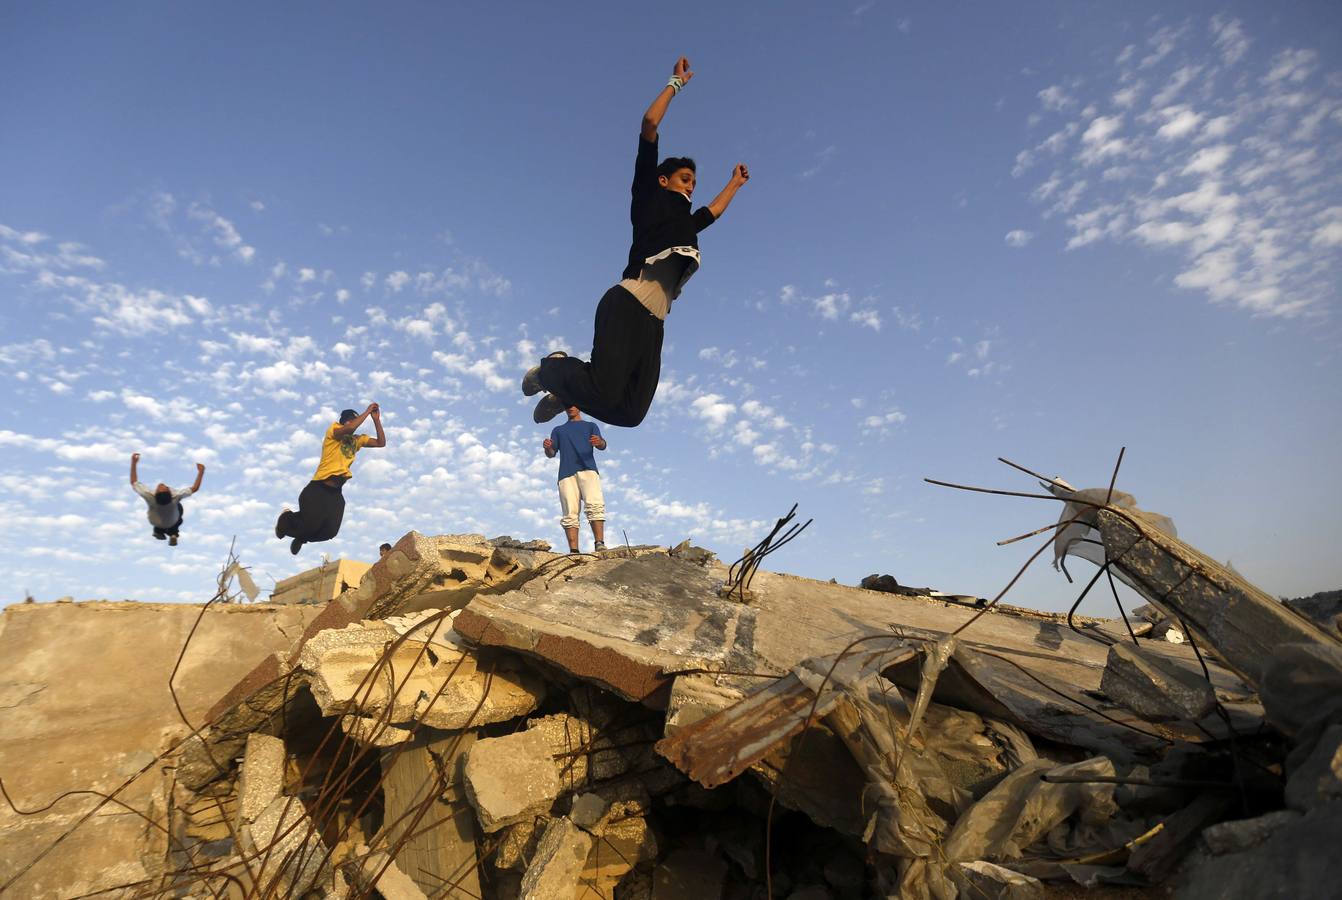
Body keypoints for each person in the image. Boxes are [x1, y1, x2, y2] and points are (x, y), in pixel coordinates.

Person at [523, 56, 750, 426]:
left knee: (630, 413)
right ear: (663, 180)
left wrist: (735, 184)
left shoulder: (686, 227)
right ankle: (553, 370)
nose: (691, 184)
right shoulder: (648, 197)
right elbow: (649, 124)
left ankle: (565, 390)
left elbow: (714, 212)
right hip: (628, 301)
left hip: (655, 323)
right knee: (606, 389)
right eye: (684, 178)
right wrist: (675, 84)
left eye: (694, 181)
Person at [275, 403, 386, 555]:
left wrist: (376, 419)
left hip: (335, 493)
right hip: (318, 488)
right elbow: (349, 428)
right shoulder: (334, 430)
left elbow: (381, 443)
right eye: (351, 421)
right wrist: (367, 412)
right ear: (345, 421)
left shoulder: (357, 440)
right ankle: (284, 520)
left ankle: (301, 538)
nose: (354, 424)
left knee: (330, 531)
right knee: (311, 525)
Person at [543, 405, 608, 553]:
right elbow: (551, 453)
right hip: (566, 474)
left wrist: (599, 442)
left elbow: (602, 445)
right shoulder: (558, 430)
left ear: (580, 406)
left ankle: (599, 543)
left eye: (573, 404)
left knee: (594, 504)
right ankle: (574, 551)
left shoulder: (591, 426)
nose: (570, 408)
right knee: (569, 512)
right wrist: (547, 447)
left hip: (588, 469)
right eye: (567, 405)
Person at [130, 453, 204, 547]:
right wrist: (201, 472)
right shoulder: (176, 496)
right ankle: (174, 534)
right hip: (172, 521)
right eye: (164, 487)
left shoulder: (149, 496)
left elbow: (133, 482)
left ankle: (158, 532)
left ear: (155, 493)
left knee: (160, 518)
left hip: (155, 522)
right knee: (178, 508)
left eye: (161, 486)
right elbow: (195, 488)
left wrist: (133, 463)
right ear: (170, 492)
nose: (161, 484)